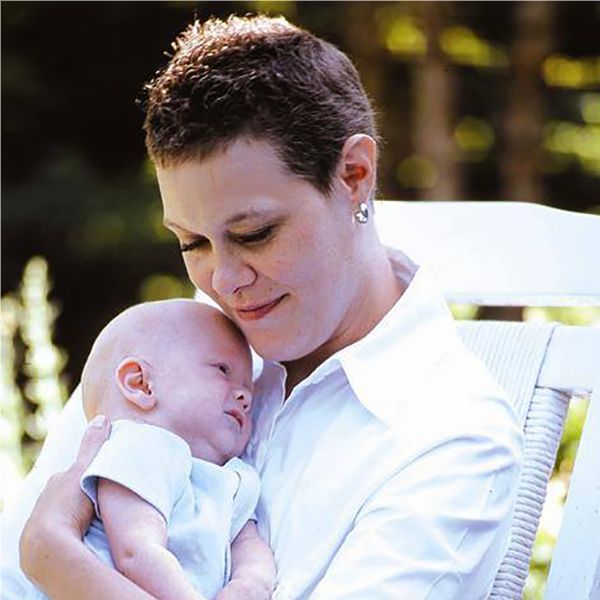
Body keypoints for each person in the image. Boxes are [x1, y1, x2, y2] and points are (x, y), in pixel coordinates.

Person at [4, 13, 523, 600]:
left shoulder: (450, 437)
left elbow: (43, 556)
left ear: (354, 174)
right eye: (192, 243)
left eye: (255, 234)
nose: (223, 280)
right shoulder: (169, 347)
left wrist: (56, 558)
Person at [25, 299, 276, 600]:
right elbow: (137, 550)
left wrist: (250, 583)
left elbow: (248, 544)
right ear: (141, 384)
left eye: (248, 386)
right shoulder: (140, 446)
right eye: (223, 370)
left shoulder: (231, 477)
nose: (245, 396)